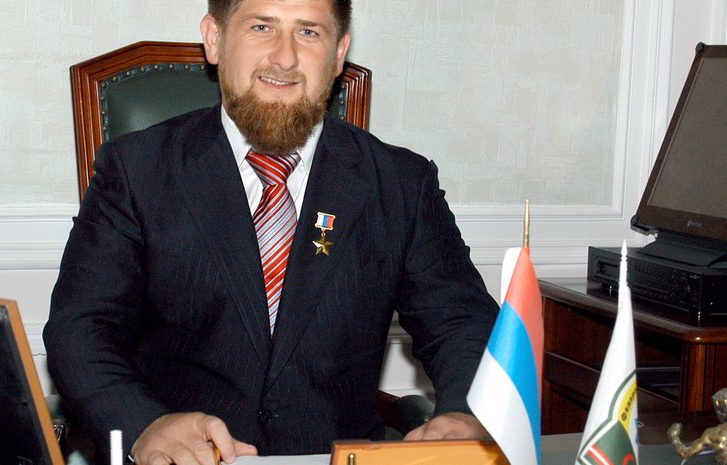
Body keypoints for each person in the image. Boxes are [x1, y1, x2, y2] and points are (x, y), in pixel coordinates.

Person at [43, 0, 499, 464]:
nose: (284, 57)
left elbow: (461, 323)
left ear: (339, 53)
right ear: (215, 39)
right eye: (262, 27)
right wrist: (144, 425)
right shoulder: (136, 170)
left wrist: (465, 414)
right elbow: (81, 329)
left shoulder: (401, 184)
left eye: (308, 32)